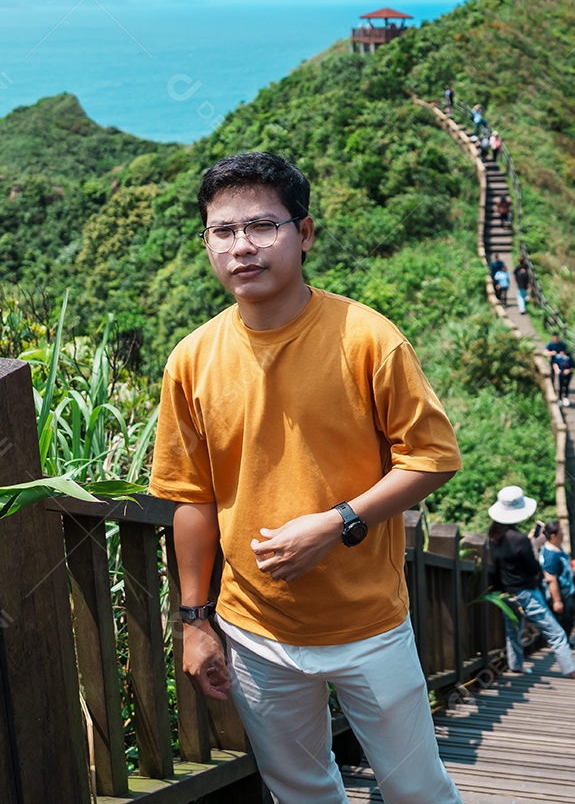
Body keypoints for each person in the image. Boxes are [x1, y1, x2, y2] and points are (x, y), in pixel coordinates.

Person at [149, 151, 464, 804]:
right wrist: (194, 619)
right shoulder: (191, 361)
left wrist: (338, 522)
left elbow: (432, 457)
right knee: (301, 794)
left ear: (305, 234)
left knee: (417, 792)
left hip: (368, 623)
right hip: (253, 628)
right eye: (224, 230)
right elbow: (191, 497)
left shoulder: (368, 339)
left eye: (264, 226)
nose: (243, 246)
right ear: (206, 241)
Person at [488, 486, 575, 680]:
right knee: (555, 633)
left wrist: (530, 543)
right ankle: (573, 672)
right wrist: (533, 546)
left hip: (506, 594)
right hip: (526, 593)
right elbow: (533, 569)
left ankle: (516, 666)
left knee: (513, 631)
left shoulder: (493, 538)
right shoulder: (520, 540)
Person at [540, 521, 575, 641]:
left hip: (567, 591)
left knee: (569, 619)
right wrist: (557, 601)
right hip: (559, 593)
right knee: (562, 621)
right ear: (553, 536)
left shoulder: (558, 548)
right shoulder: (550, 555)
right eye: (561, 532)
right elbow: (551, 579)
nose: (564, 534)